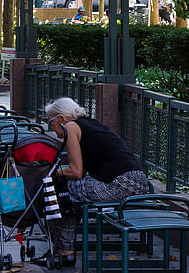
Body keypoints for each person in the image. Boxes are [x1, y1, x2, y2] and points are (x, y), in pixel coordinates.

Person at [42, 97, 148, 267]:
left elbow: (75, 172)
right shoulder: (91, 124)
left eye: (51, 122)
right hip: (138, 181)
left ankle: (65, 251)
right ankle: (64, 250)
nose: (52, 127)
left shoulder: (70, 127)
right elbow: (81, 171)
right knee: (70, 194)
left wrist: (49, 173)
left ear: (62, 119)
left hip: (119, 183)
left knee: (57, 192)